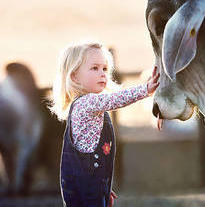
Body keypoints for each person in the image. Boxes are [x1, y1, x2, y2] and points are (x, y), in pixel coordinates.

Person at [49, 42, 160, 206]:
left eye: (105, 69)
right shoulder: (86, 103)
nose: (102, 74)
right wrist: (146, 89)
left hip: (91, 184)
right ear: (74, 76)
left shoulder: (91, 104)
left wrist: (103, 187)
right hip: (85, 188)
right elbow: (115, 99)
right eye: (94, 68)